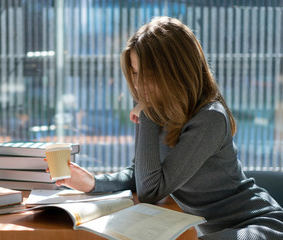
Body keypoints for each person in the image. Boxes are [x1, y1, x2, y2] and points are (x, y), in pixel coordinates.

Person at [52, 17, 283, 239]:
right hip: (213, 231)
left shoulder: (209, 118)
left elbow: (151, 191)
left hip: (256, 225)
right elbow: (141, 174)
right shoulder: (158, 106)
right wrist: (93, 183)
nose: (138, 84)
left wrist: (148, 114)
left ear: (177, 71)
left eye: (149, 74)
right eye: (135, 72)